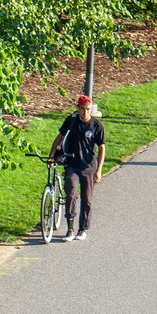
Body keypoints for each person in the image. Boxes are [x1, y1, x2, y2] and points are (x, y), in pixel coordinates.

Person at [48, 93, 105, 240]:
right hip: (71, 164)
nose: (85, 112)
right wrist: (51, 155)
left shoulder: (97, 126)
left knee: (87, 199)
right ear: (78, 108)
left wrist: (98, 170)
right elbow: (59, 138)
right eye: (82, 109)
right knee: (71, 195)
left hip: (88, 167)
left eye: (88, 109)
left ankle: (82, 229)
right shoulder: (71, 121)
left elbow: (101, 148)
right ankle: (70, 230)